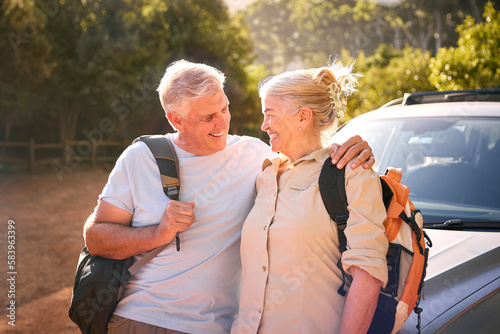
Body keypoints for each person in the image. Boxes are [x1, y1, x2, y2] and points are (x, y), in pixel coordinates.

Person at [83, 60, 375, 334]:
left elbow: (307, 150)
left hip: (219, 326)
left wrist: (352, 148)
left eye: (224, 109)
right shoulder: (140, 157)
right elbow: (96, 237)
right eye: (208, 117)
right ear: (176, 120)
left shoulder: (257, 157)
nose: (222, 123)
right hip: (143, 318)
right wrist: (157, 233)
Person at [231, 61, 388, 334]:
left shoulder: (352, 173)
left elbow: (368, 274)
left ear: (303, 117)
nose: (263, 125)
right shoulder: (265, 173)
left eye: (270, 114)